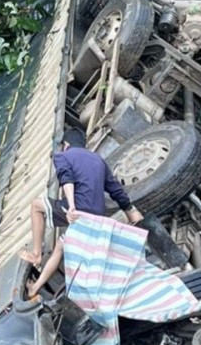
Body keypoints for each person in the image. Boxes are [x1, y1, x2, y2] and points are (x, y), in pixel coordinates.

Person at [22, 127, 143, 299]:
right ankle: (35, 287)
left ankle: (36, 254)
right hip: (98, 218)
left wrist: (71, 206)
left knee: (36, 206)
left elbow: (66, 179)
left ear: (66, 144)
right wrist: (130, 210)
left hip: (77, 211)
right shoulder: (98, 160)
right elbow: (115, 189)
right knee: (60, 247)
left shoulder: (62, 156)